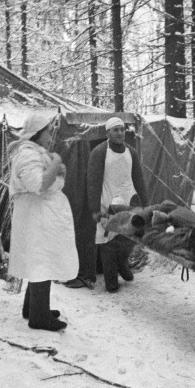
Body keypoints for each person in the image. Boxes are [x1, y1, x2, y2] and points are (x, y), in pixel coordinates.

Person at [8, 113, 79, 332]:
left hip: (39, 214)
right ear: (37, 133)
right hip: (36, 216)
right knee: (41, 260)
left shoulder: (33, 153)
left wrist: (57, 170)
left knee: (38, 260)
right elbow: (38, 184)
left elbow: (46, 178)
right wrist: (56, 163)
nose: (51, 135)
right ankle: (39, 317)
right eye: (48, 131)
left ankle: (33, 308)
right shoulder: (27, 154)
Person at [81, 117, 148, 293]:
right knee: (108, 240)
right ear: (108, 133)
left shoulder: (131, 152)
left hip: (127, 199)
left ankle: (122, 264)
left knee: (127, 237)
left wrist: (146, 205)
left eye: (122, 129)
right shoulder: (99, 152)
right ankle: (111, 278)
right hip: (107, 198)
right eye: (116, 130)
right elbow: (93, 181)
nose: (120, 133)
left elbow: (138, 179)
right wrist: (95, 208)